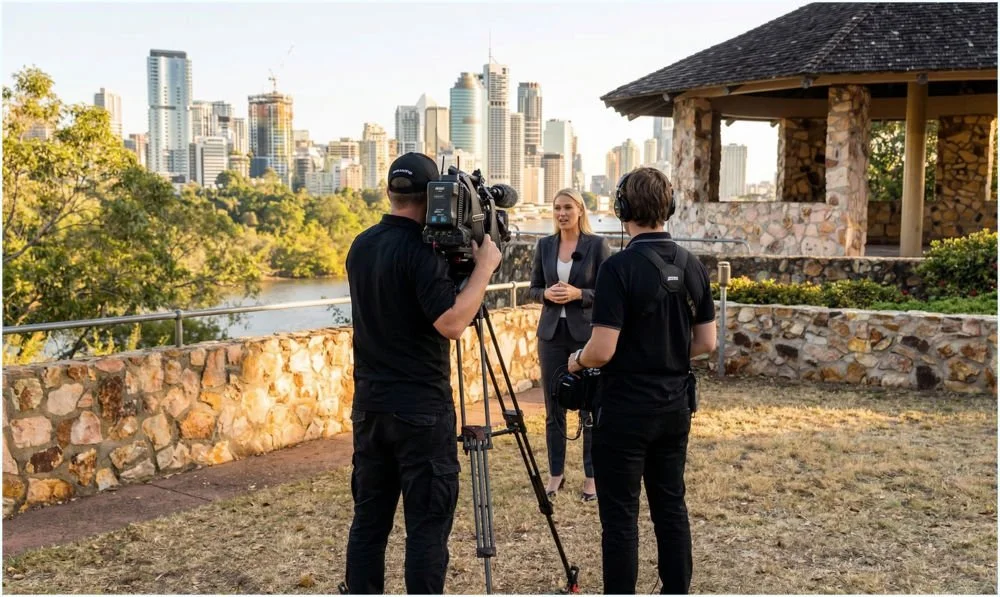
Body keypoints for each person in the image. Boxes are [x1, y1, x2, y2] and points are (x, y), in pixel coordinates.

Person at [343, 152, 502, 594]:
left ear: (390, 193)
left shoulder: (362, 246)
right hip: (420, 412)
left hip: (370, 407)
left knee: (369, 525)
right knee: (427, 530)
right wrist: (484, 269)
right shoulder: (422, 252)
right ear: (433, 195)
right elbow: (452, 323)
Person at [567, 167, 716, 594]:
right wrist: (665, 352)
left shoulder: (618, 269)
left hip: (624, 409)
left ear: (622, 209)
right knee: (670, 507)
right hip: (674, 407)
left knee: (620, 518)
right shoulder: (692, 266)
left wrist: (576, 361)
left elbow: (602, 350)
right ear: (668, 208)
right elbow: (706, 342)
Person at [528, 188, 612, 502]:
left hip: (584, 335)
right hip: (551, 335)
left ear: (580, 210)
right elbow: (533, 288)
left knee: (589, 407)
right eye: (557, 208)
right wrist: (545, 295)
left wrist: (579, 295)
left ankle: (591, 478)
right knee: (554, 409)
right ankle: (555, 475)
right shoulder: (544, 245)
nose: (562, 213)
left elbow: (608, 292)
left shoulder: (597, 245)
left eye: (567, 207)